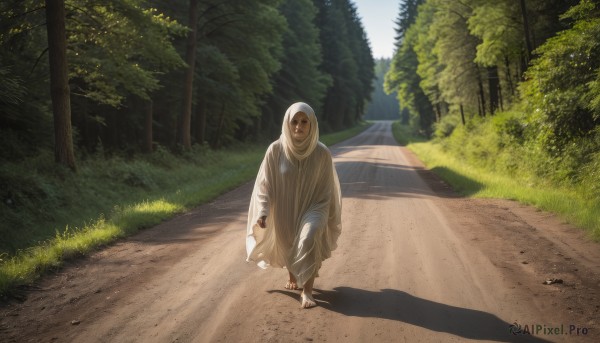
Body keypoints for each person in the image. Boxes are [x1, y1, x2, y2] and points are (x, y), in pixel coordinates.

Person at [246, 102, 342, 308]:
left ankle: (307, 291)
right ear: (287, 124)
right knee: (290, 243)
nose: (299, 126)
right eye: (294, 122)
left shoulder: (322, 153)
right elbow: (265, 185)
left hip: (315, 206)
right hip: (284, 209)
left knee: (307, 238)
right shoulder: (275, 150)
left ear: (312, 124)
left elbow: (327, 189)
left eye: (304, 122)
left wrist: (327, 213)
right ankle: (293, 274)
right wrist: (262, 211)